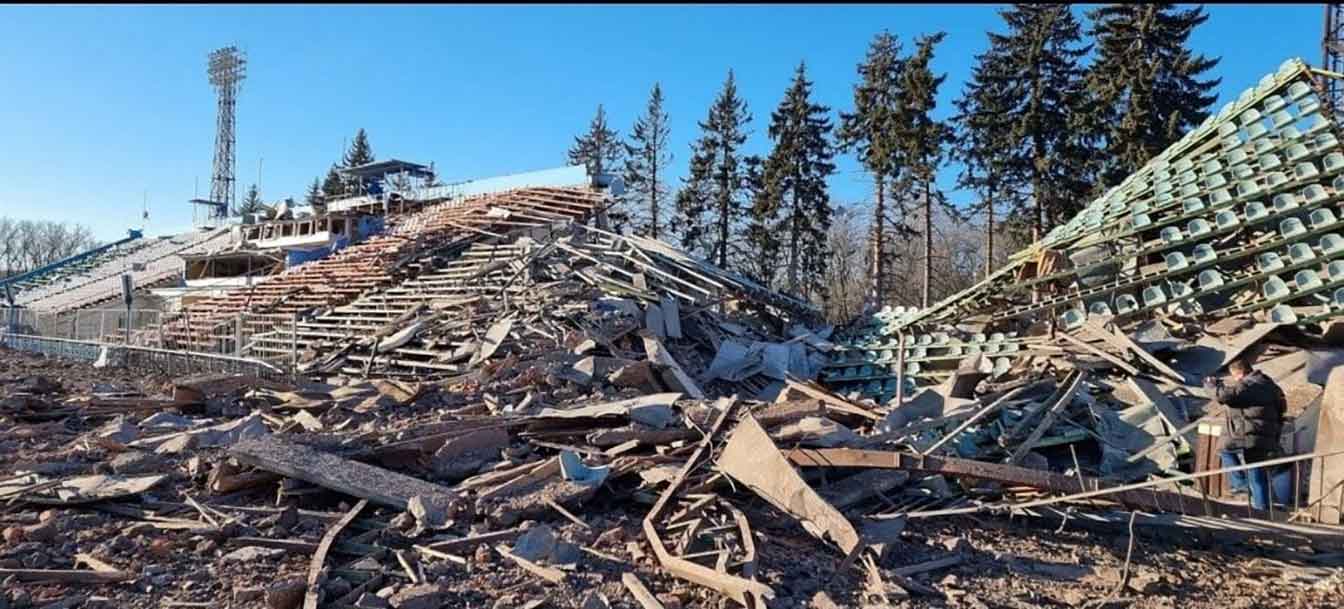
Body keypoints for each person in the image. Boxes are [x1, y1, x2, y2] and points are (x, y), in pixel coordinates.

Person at [1204, 357, 1288, 510]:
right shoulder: (1269, 385)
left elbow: (1225, 396)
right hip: (1266, 433)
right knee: (1257, 473)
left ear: (1240, 373)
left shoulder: (1251, 384)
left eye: (1235, 377)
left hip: (1252, 434)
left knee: (1225, 450)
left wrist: (1211, 385)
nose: (1235, 380)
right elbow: (1282, 407)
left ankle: (1241, 486)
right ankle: (1261, 507)